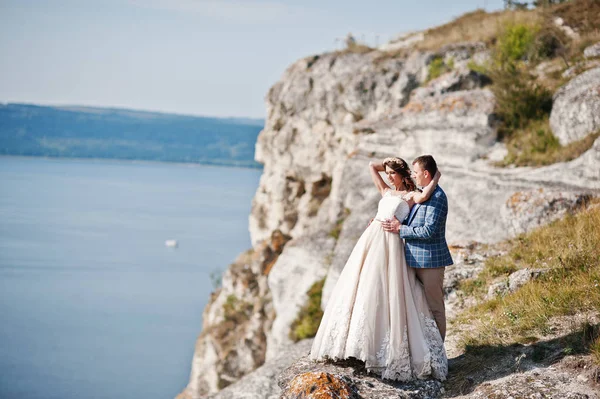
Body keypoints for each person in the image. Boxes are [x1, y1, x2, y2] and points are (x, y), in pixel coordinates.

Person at [309, 157, 447, 381]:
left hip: (390, 241)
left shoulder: (411, 196)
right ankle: (357, 343)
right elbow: (372, 166)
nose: (389, 177)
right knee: (363, 285)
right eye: (388, 173)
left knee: (389, 288)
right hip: (371, 238)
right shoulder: (386, 192)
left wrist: (436, 177)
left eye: (394, 173)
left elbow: (424, 195)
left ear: (404, 175)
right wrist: (389, 163)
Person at [382, 155, 453, 341]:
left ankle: (439, 354)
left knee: (434, 308)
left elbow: (428, 231)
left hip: (430, 262)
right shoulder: (423, 193)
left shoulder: (437, 197)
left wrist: (400, 229)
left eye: (416, 172)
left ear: (426, 173)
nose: (413, 176)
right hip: (413, 260)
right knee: (418, 308)